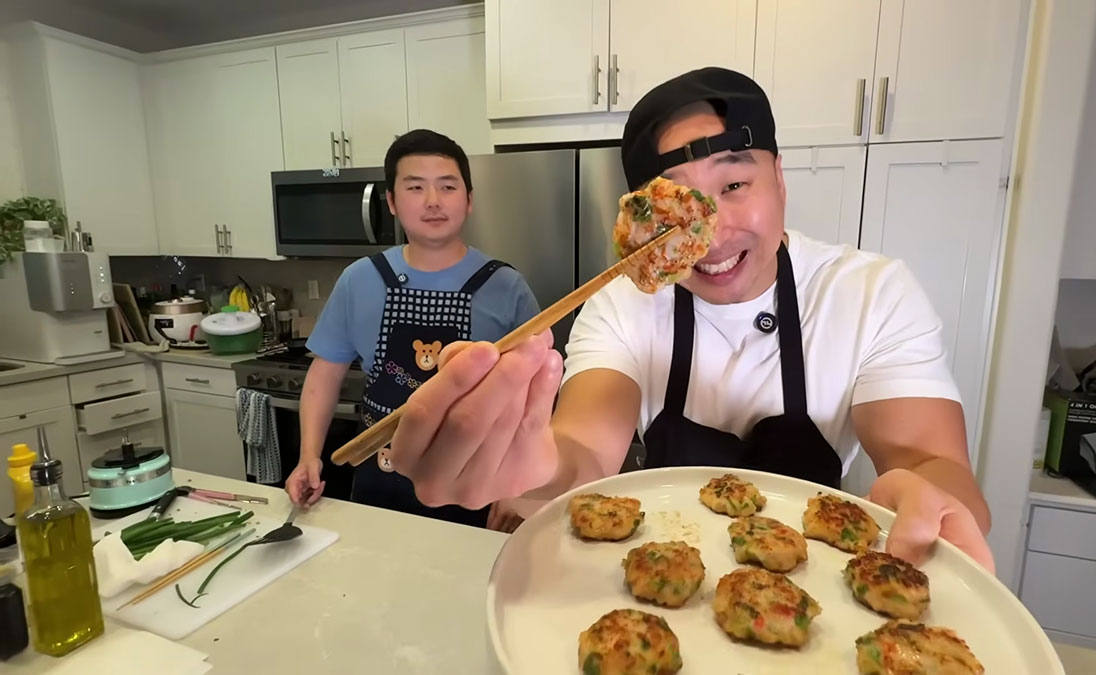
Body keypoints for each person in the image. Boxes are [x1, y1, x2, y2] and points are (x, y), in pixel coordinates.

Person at [378, 69, 994, 569]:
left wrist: (934, 500)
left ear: (779, 178)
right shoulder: (623, 302)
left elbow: (931, 462)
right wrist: (534, 466)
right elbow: (584, 448)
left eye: (734, 185)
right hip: (665, 572)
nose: (712, 234)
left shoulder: (870, 293)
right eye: (679, 205)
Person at [284, 129, 539, 531]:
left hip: (473, 483)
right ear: (391, 201)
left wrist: (514, 489)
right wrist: (309, 455)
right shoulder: (359, 280)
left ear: (469, 200)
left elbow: (532, 397)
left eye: (447, 186)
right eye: (416, 187)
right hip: (378, 484)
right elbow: (323, 375)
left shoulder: (506, 287)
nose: (433, 201)